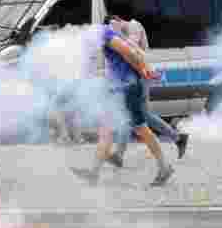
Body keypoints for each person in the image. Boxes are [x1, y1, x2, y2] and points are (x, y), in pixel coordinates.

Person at [71, 19, 174, 187]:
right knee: (107, 129)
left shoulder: (104, 33)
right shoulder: (105, 34)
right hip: (119, 88)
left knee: (140, 128)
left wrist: (143, 71)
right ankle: (93, 173)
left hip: (128, 87)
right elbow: (132, 53)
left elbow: (129, 53)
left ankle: (164, 167)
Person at [107, 17, 190, 165]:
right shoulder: (126, 29)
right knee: (128, 115)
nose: (112, 31)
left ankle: (178, 138)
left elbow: (134, 49)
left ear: (117, 20)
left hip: (141, 75)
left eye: (112, 26)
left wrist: (119, 35)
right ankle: (118, 155)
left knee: (143, 114)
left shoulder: (133, 26)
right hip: (135, 76)